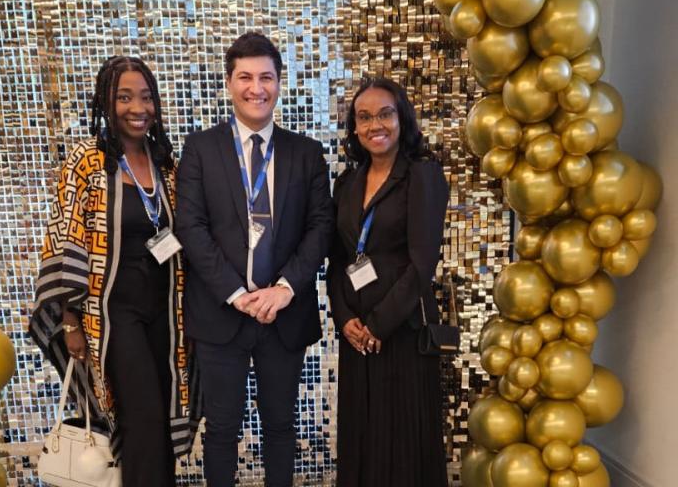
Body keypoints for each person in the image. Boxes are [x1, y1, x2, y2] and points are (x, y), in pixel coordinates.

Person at [29, 56, 200, 487]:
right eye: (124, 97)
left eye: (145, 97)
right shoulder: (88, 162)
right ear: (107, 101)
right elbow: (64, 234)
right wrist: (69, 322)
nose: (137, 107)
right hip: (111, 316)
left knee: (162, 418)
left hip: (166, 315)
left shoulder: (166, 164)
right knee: (141, 417)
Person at [175, 32, 333, 487]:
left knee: (281, 428)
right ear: (229, 83)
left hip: (284, 315)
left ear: (279, 83)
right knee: (221, 431)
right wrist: (237, 294)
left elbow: (320, 228)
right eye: (245, 77)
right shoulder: (201, 149)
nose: (255, 88)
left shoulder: (307, 154)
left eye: (266, 77)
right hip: (222, 313)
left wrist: (283, 290)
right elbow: (192, 227)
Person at [327, 78, 449, 486]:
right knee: (363, 438)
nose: (374, 124)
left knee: (402, 444)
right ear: (354, 129)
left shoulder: (422, 175)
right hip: (357, 336)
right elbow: (338, 259)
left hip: (401, 332)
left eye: (384, 113)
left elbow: (422, 263)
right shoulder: (347, 184)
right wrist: (345, 320)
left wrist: (379, 325)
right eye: (364, 117)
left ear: (402, 118)